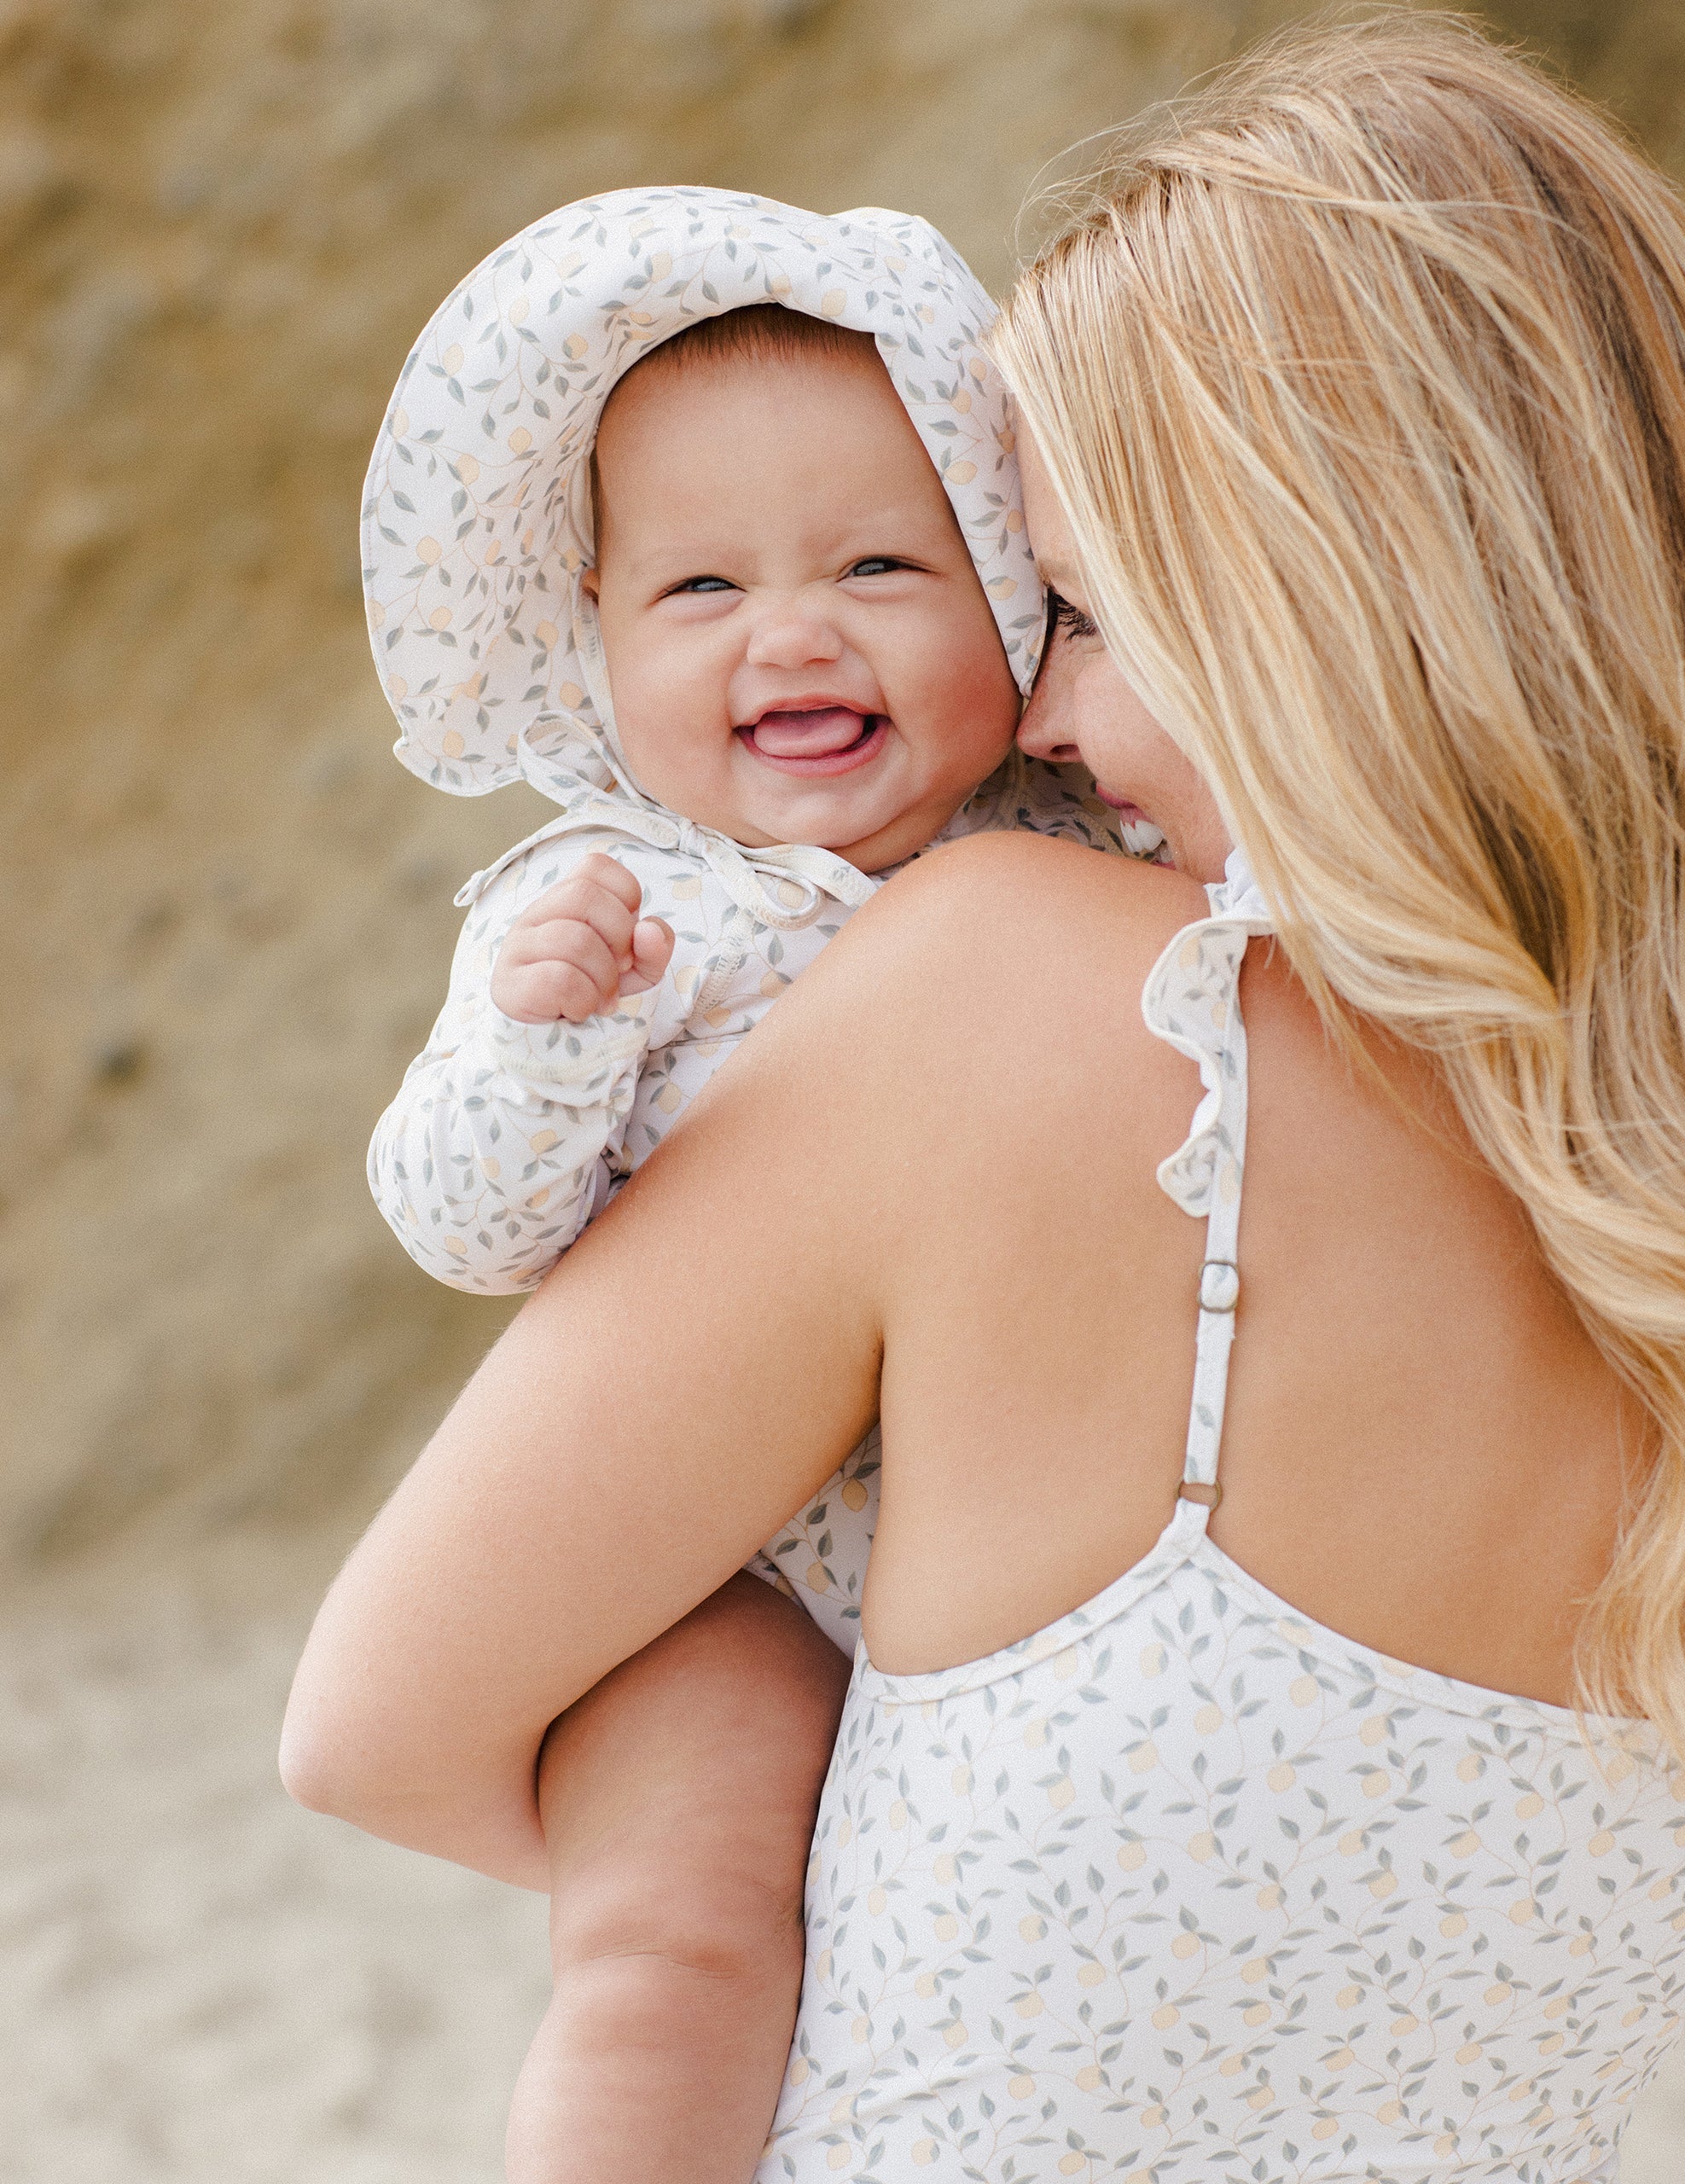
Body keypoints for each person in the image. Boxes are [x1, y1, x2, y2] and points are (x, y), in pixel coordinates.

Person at [284, 15, 1685, 2181]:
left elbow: (374, 1724)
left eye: (1072, 601)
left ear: (1311, 601)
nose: (1043, 707)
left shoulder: (1002, 987)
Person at [353, 187, 1121, 2179]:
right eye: (698, 591)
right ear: (592, 640)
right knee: (675, 1942)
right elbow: (463, 1221)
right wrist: (543, 1040)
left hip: (1026, 1534)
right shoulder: (602, 908)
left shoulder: (1083, 842)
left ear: (1014, 596)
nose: (792, 629)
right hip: (708, 1572)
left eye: (880, 560)